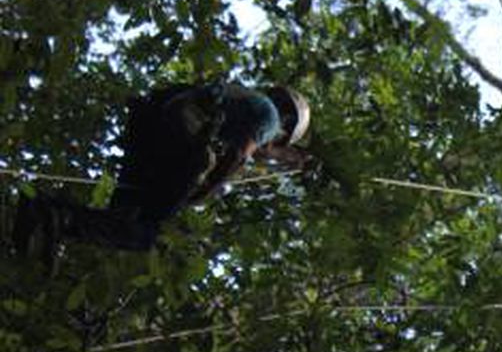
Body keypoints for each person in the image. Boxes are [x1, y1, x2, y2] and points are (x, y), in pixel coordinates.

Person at [13, 80, 311, 257]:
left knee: (125, 216)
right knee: (144, 233)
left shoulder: (240, 96)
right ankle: (58, 219)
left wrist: (290, 159)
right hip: (179, 143)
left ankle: (44, 213)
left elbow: (262, 151)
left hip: (150, 132)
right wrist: (206, 190)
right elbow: (240, 155)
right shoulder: (270, 117)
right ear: (286, 124)